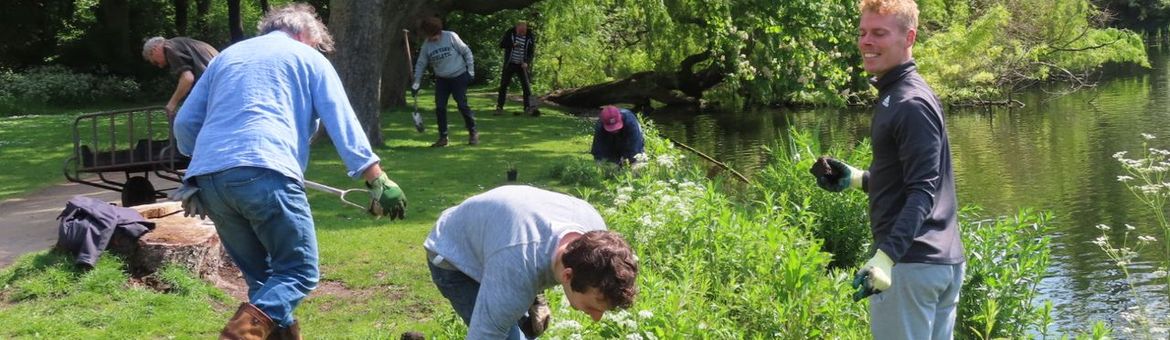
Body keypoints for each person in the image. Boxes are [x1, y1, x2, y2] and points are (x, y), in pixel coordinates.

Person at [172, 4, 407, 339]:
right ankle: (237, 336)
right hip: (266, 174)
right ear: (304, 35)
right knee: (299, 271)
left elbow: (184, 123)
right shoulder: (307, 57)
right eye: (315, 44)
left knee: (265, 281)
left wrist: (210, 160)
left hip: (208, 182)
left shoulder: (227, 57)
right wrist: (377, 178)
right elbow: (341, 120)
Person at [808, 0, 964, 338]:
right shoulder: (900, 94)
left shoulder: (908, 103)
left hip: (911, 264)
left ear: (909, 38)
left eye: (879, 33)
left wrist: (886, 258)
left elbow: (923, 191)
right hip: (935, 262)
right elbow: (913, 181)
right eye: (863, 32)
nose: (866, 41)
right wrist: (857, 179)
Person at [424, 185, 639, 339]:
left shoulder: (595, 232)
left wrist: (535, 294)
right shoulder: (517, 264)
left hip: (505, 242)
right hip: (455, 254)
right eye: (593, 307)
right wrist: (522, 292)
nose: (596, 318)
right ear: (567, 275)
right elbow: (485, 335)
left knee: (526, 328)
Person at [411, 16, 478, 147]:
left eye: (434, 35)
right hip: (442, 79)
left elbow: (467, 52)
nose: (432, 39)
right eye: (429, 36)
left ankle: (473, 133)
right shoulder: (427, 45)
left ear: (439, 31)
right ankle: (443, 137)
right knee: (440, 107)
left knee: (462, 105)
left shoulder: (451, 37)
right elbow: (421, 63)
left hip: (459, 76)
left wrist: (471, 72)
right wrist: (416, 82)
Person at [141, 36, 219, 120]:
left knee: (184, 123)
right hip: (223, 81)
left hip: (216, 85)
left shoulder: (169, 48)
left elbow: (187, 79)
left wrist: (172, 104)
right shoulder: (181, 43)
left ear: (154, 49)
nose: (160, 66)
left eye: (155, 62)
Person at [495, 20, 537, 116]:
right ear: (517, 28)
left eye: (524, 31)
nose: (522, 33)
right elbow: (501, 45)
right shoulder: (510, 33)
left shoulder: (530, 35)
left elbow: (531, 51)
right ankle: (499, 107)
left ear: (526, 29)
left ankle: (529, 107)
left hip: (522, 65)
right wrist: (512, 45)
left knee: (526, 86)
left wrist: (527, 62)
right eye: (520, 31)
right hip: (510, 64)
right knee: (504, 85)